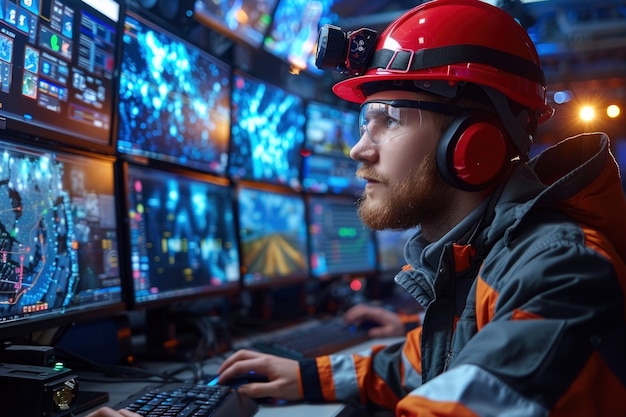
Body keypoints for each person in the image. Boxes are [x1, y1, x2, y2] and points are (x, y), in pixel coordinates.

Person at [87, 0, 626, 416]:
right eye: (363, 122)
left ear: (472, 144)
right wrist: (310, 375)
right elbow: (427, 362)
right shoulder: (492, 257)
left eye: (387, 119)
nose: (358, 149)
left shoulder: (560, 272)